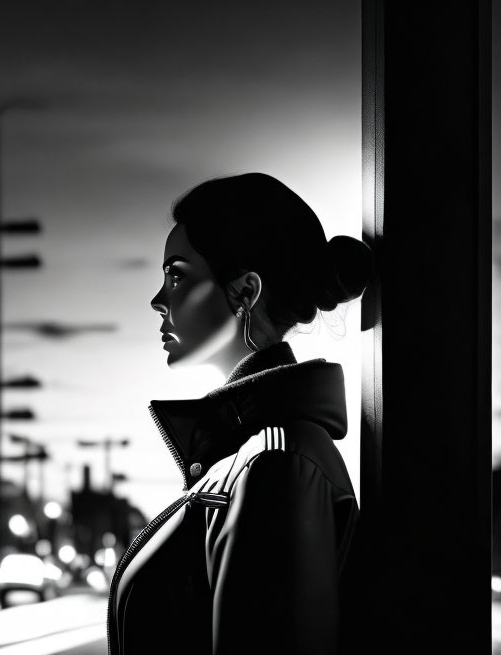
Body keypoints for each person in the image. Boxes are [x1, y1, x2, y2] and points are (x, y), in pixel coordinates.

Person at [106, 173, 372, 654]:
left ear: (245, 291)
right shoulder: (254, 457)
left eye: (177, 274)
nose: (158, 300)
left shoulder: (274, 466)